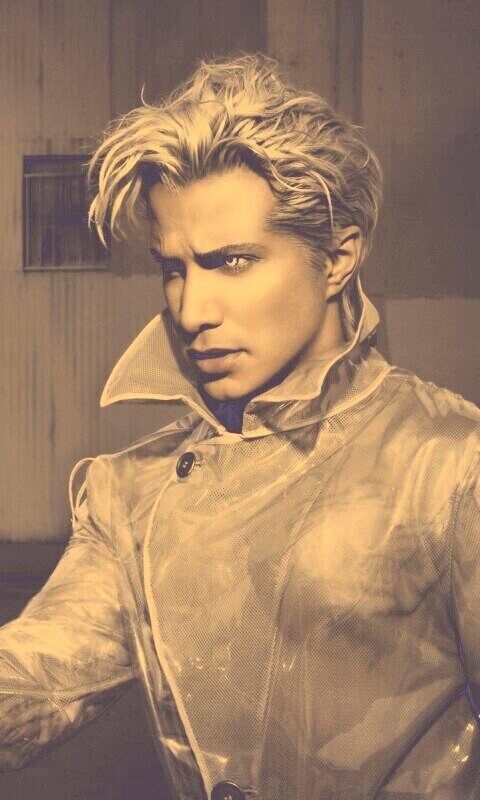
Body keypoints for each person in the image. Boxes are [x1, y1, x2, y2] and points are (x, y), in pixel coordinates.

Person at [1, 53, 479, 800]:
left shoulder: (448, 466)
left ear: (338, 258)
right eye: (174, 268)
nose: (191, 311)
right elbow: (36, 676)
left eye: (231, 262)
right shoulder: (133, 493)